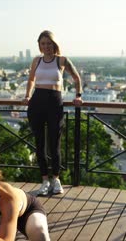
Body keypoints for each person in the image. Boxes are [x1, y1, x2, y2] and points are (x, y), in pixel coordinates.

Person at [23, 30, 83, 196]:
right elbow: (31, 80)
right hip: (37, 101)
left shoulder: (61, 60)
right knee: (39, 144)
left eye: (49, 43)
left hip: (55, 102)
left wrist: (78, 96)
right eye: (43, 44)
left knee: (54, 143)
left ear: (54, 44)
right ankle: (44, 180)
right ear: (39, 46)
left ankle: (55, 179)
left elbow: (77, 78)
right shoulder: (36, 60)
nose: (46, 46)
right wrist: (27, 96)